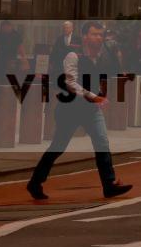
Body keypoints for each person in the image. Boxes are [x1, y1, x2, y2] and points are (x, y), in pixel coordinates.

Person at [26, 22, 133, 201]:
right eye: (94, 34)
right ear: (84, 36)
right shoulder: (73, 56)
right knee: (58, 147)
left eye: (101, 34)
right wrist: (93, 96)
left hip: (91, 110)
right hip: (70, 109)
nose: (98, 38)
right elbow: (70, 82)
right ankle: (35, 182)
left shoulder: (102, 56)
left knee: (102, 143)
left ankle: (109, 184)